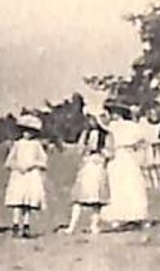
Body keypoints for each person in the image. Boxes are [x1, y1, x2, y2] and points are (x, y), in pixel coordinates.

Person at [101, 100, 151, 228]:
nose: (112, 115)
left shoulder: (113, 127)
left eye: (113, 112)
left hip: (121, 156)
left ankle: (127, 216)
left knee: (124, 185)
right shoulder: (131, 126)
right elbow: (143, 139)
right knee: (129, 185)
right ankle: (133, 216)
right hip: (125, 156)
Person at [3, 112, 49, 238]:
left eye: (30, 132)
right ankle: (15, 224)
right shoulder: (18, 144)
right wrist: (17, 166)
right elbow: (9, 160)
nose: (27, 134)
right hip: (19, 174)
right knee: (17, 201)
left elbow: (43, 160)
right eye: (24, 131)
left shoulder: (36, 145)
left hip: (31, 174)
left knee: (28, 203)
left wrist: (33, 164)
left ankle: (26, 225)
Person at [64, 110, 111, 234]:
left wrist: (101, 153)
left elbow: (111, 152)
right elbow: (79, 149)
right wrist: (86, 149)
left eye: (94, 119)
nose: (91, 122)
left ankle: (94, 225)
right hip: (87, 164)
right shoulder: (85, 134)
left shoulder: (106, 135)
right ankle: (72, 225)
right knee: (80, 196)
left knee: (97, 198)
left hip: (99, 164)